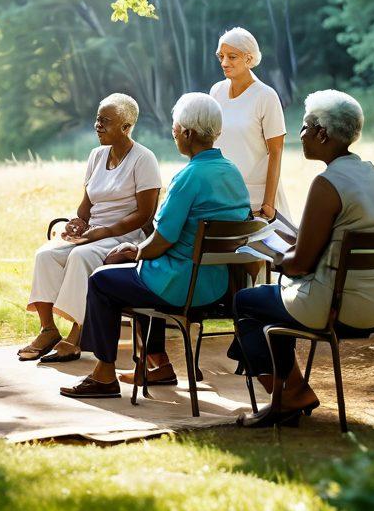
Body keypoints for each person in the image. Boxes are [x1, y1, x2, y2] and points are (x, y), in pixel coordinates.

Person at [60, 93, 251, 398]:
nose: (174, 134)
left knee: (103, 280)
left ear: (187, 133)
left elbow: (161, 240)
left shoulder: (188, 177)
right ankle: (157, 363)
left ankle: (103, 374)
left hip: (181, 286)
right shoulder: (232, 172)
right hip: (218, 285)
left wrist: (134, 250)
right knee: (136, 272)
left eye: (175, 129)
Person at [232, 90, 374, 428]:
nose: (301, 134)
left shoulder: (327, 183)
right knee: (269, 308)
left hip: (339, 307)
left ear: (323, 133)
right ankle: (291, 391)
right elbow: (330, 241)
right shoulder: (370, 172)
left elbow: (300, 265)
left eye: (305, 126)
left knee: (247, 303)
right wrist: (290, 241)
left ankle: (290, 394)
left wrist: (273, 256)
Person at [19, 93, 161, 364]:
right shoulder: (97, 156)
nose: (98, 126)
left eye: (105, 121)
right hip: (95, 232)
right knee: (46, 254)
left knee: (80, 256)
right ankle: (48, 330)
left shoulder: (144, 159)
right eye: (97, 119)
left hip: (124, 236)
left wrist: (103, 232)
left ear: (126, 127)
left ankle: (76, 335)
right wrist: (79, 223)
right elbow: (87, 203)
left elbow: (145, 214)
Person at [210, 27, 290, 221]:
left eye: (232, 56)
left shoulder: (266, 96)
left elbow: (276, 152)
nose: (224, 62)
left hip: (255, 198)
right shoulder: (215, 92)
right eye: (221, 56)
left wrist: (268, 203)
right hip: (220, 195)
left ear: (248, 58)